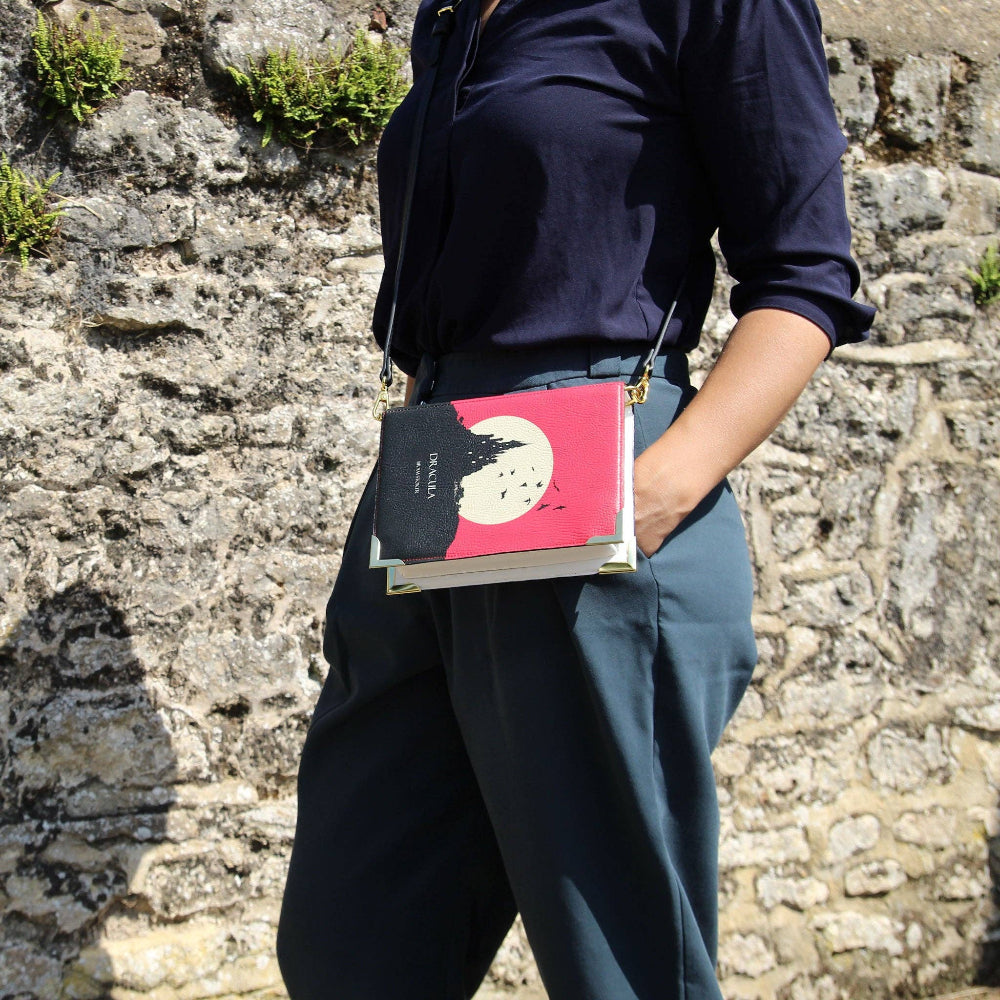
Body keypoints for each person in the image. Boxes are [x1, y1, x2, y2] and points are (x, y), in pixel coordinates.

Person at [276, 0, 875, 995]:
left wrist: (657, 488)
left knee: (619, 963)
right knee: (352, 944)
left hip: (600, 473)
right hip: (431, 473)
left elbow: (805, 274)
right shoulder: (452, 14)